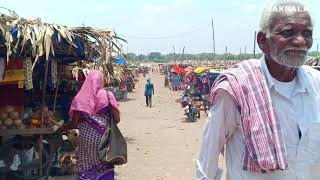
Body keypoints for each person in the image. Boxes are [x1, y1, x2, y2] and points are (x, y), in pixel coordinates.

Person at [196, 1, 320, 180]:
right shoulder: (237, 88)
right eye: (287, 32)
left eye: (306, 33)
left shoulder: (316, 85)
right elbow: (208, 159)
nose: (300, 41)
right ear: (263, 41)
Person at [68, 70, 120, 180]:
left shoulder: (79, 98)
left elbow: (75, 124)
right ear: (100, 81)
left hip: (85, 139)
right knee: (105, 164)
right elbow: (117, 119)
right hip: (104, 139)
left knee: (85, 165)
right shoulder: (108, 95)